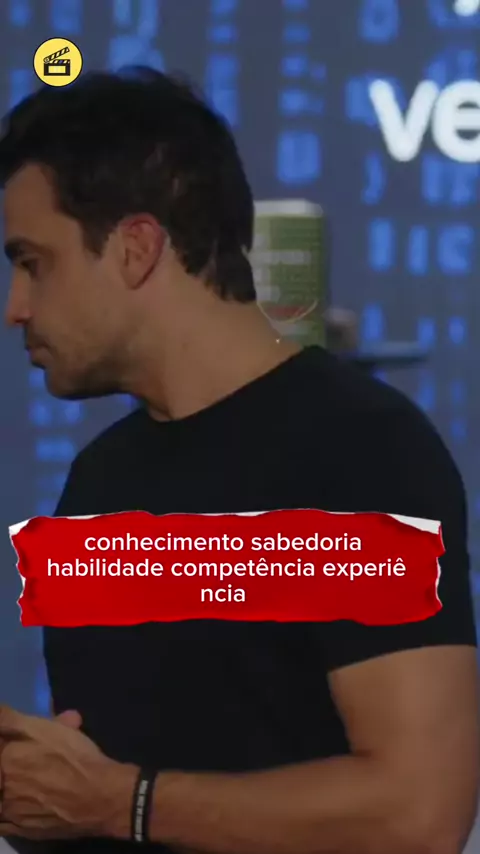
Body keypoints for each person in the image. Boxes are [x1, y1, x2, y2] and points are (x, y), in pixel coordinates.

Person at [0, 67, 478, 854]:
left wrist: (121, 804)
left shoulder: (358, 450)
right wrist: (36, 792)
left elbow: (417, 816)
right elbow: (98, 795)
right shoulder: (98, 481)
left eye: (33, 262)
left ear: (135, 249)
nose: (15, 307)